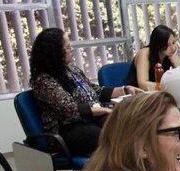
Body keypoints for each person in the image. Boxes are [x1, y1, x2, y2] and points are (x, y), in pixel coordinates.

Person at [30, 28, 141, 156]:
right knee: (106, 136)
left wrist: (125, 89)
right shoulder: (44, 81)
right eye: (67, 47)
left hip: (89, 119)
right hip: (68, 129)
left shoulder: (72, 70)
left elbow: (95, 91)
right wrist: (105, 110)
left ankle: (134, 166)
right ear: (54, 52)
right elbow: (70, 110)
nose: (71, 49)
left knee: (125, 123)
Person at [124, 25, 180, 91]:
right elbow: (142, 84)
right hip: (135, 94)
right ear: (158, 44)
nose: (173, 48)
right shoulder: (145, 53)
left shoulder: (169, 54)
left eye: (174, 42)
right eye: (167, 45)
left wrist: (174, 59)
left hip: (155, 93)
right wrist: (167, 87)